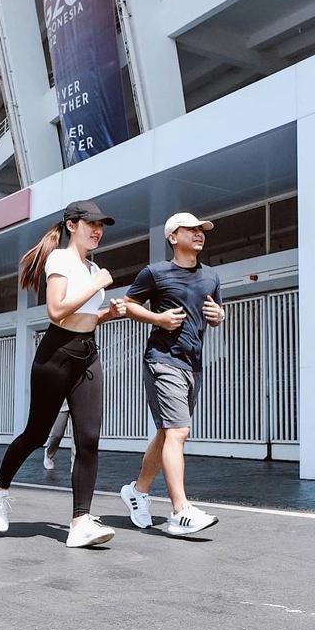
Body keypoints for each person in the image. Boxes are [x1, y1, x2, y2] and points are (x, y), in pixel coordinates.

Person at [0, 200, 125, 548]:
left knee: (88, 439)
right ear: (72, 225)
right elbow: (57, 311)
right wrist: (96, 287)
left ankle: (80, 522)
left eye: (101, 225)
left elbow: (85, 318)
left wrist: (109, 312)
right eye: (91, 223)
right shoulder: (60, 259)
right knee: (36, 434)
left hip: (87, 355)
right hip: (56, 355)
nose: (97, 230)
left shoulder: (93, 268)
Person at [119, 212, 225, 536]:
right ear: (172, 237)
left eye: (201, 230)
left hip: (194, 365)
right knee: (179, 431)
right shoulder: (155, 272)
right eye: (191, 229)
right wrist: (158, 319)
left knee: (167, 434)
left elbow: (217, 312)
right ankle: (180, 511)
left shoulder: (211, 277)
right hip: (163, 360)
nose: (199, 234)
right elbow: (128, 304)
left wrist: (220, 315)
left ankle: (137, 492)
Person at [43, 403, 69, 470]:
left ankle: (75, 462)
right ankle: (49, 453)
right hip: (63, 402)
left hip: (78, 401)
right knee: (57, 434)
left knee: (77, 436)